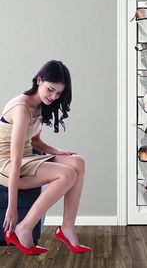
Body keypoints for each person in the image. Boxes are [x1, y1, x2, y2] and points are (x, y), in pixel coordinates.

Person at [0, 60, 92, 255]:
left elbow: (34, 141)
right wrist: (12, 207)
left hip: (25, 157)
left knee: (78, 162)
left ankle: (67, 228)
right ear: (39, 80)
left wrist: (56, 151)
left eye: (58, 93)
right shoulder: (22, 108)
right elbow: (15, 159)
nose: (53, 97)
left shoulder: (39, 106)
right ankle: (23, 227)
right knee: (67, 175)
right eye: (50, 90)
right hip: (6, 163)